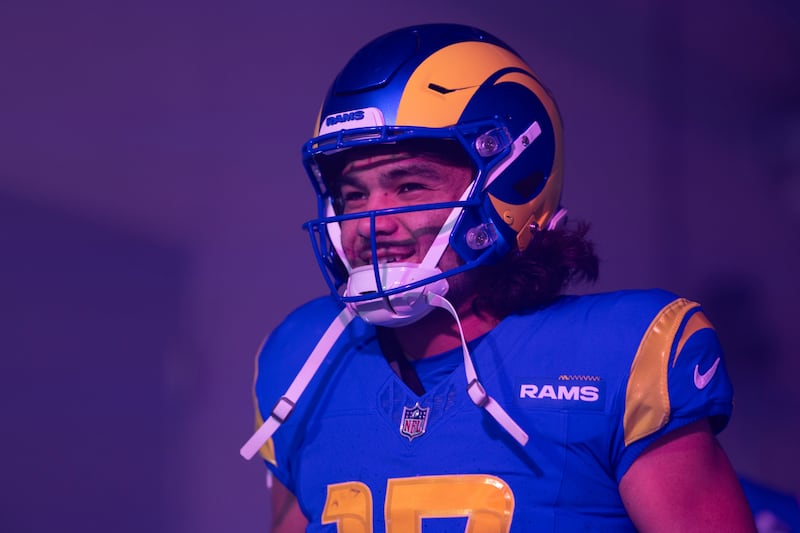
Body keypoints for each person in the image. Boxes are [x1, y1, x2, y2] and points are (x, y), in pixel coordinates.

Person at [240, 23, 756, 532]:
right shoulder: (302, 358)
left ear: (509, 182)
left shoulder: (618, 355)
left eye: (411, 185)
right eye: (354, 194)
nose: (372, 224)